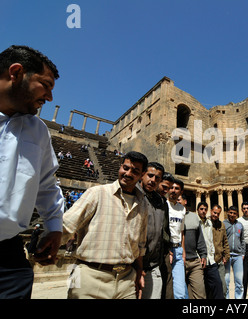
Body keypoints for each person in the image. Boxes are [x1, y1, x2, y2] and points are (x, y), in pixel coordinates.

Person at [0, 45, 65, 299]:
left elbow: (47, 183)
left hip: (8, 256)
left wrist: (54, 226)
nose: (49, 97)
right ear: (16, 73)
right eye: (45, 85)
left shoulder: (38, 131)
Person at [62, 151, 149, 299]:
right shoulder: (96, 193)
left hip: (126, 279)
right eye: (126, 168)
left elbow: (140, 245)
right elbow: (67, 225)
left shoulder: (143, 205)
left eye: (135, 171)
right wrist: (45, 248)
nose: (128, 173)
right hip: (88, 274)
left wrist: (139, 273)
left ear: (142, 175)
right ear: (120, 167)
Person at [140, 162, 171, 299]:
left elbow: (163, 230)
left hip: (153, 265)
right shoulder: (132, 194)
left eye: (157, 178)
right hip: (132, 266)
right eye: (150, 175)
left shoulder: (161, 202)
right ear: (142, 175)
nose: (153, 180)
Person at [180, 197, 207, 299]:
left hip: (194, 261)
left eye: (179, 199)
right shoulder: (171, 215)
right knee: (180, 295)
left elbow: (199, 238)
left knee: (200, 294)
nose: (177, 201)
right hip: (179, 262)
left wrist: (203, 254)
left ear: (185, 201)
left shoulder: (194, 217)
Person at [197, 202, 225, 299]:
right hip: (199, 260)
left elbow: (211, 240)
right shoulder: (195, 222)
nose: (203, 211)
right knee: (203, 289)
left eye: (205, 209)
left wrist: (213, 255)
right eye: (201, 209)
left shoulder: (209, 223)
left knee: (218, 286)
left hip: (211, 260)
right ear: (197, 210)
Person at [167, 179, 187, 299]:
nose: (173, 191)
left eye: (176, 188)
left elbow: (182, 231)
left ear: (181, 191)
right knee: (167, 288)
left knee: (180, 293)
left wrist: (183, 252)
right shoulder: (164, 205)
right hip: (166, 250)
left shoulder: (182, 209)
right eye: (171, 188)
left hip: (178, 250)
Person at [157, 172, 175, 299]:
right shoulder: (143, 199)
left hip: (163, 249)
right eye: (164, 186)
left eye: (168, 188)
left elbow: (166, 226)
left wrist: (168, 248)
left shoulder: (164, 202)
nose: (166, 190)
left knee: (167, 281)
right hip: (148, 250)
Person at [223, 206, 245, 299]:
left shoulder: (240, 225)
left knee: (239, 282)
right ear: (227, 213)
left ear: (237, 215)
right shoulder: (223, 224)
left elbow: (242, 240)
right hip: (226, 255)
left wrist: (243, 253)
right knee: (226, 281)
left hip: (238, 256)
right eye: (230, 212)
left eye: (234, 213)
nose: (232, 215)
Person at [210, 204, 230, 297]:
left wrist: (226, 256)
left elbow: (225, 241)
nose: (216, 215)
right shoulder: (206, 223)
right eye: (214, 213)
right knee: (211, 287)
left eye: (218, 214)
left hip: (219, 260)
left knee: (223, 287)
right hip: (209, 261)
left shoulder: (221, 224)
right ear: (211, 211)